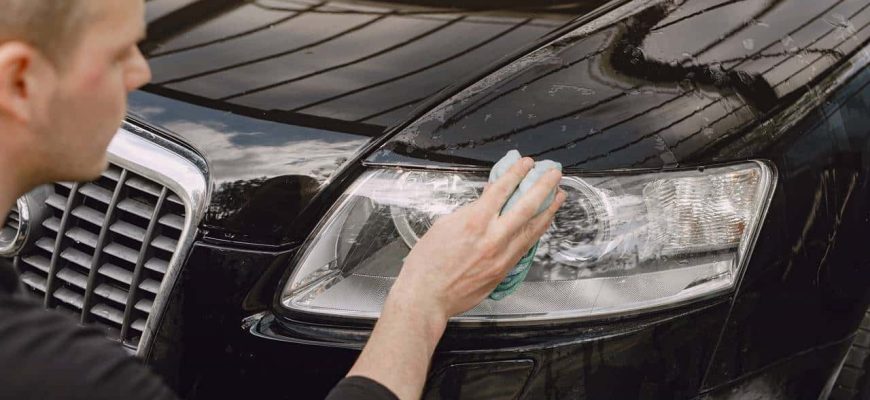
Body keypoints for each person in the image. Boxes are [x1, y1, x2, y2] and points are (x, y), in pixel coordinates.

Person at [0, 1, 565, 399]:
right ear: (21, 81)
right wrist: (421, 300)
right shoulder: (57, 375)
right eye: (119, 53)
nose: (141, 72)